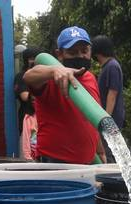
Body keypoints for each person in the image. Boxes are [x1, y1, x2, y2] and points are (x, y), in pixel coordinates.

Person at [23, 26, 107, 164]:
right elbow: (28, 76)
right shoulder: (51, 78)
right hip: (54, 164)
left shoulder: (91, 78)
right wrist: (54, 70)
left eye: (84, 51)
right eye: (72, 52)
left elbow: (89, 118)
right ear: (60, 54)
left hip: (86, 163)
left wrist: (100, 151)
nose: (80, 56)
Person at [91, 35, 125, 130]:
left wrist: (106, 120)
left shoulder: (112, 66)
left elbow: (112, 94)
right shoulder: (106, 66)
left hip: (112, 118)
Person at [14, 47, 39, 134]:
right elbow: (25, 97)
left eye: (37, 59)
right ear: (26, 60)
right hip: (28, 118)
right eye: (31, 59)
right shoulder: (21, 76)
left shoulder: (44, 76)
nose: (34, 62)